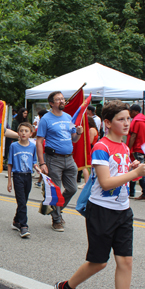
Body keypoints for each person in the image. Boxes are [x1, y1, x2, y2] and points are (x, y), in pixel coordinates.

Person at [54, 100, 145, 289]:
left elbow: (119, 172)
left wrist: (132, 166)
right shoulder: (101, 146)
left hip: (123, 211)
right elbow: (106, 182)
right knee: (99, 262)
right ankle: (66, 288)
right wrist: (134, 173)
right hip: (102, 211)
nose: (127, 123)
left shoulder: (124, 147)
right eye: (121, 119)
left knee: (125, 261)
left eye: (128, 118)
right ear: (107, 123)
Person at [36, 91, 84, 232]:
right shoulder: (46, 119)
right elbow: (39, 142)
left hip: (69, 158)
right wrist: (42, 163)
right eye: (58, 100)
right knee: (55, 190)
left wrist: (79, 133)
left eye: (62, 99)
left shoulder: (68, 117)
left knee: (72, 188)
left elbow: (74, 138)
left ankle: (55, 209)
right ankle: (56, 219)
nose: (62, 101)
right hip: (53, 159)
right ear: (51, 103)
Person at [7, 122, 36, 238]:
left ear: (31, 133)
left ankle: (16, 220)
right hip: (18, 176)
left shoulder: (32, 146)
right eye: (21, 131)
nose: (24, 133)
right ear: (18, 133)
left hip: (28, 176)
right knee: (22, 202)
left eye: (26, 131)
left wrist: (38, 168)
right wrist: (9, 180)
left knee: (24, 200)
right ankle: (23, 226)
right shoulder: (14, 146)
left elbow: (33, 161)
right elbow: (10, 163)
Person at [128, 104, 145, 201]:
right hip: (144, 148)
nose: (130, 114)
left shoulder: (137, 121)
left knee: (138, 171)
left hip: (137, 148)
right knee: (134, 170)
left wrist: (128, 148)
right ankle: (131, 191)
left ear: (135, 111)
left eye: (130, 112)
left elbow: (133, 136)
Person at [78, 116, 99, 189]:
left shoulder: (91, 129)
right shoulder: (94, 129)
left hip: (90, 149)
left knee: (85, 166)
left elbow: (89, 141)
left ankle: (86, 183)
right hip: (92, 148)